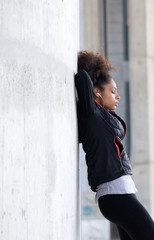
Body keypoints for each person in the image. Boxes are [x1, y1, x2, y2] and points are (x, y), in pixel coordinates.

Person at [74, 50, 154, 240]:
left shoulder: (103, 116)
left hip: (121, 193)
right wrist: (93, 67)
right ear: (96, 92)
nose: (117, 96)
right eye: (112, 90)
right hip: (115, 194)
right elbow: (83, 77)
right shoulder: (91, 112)